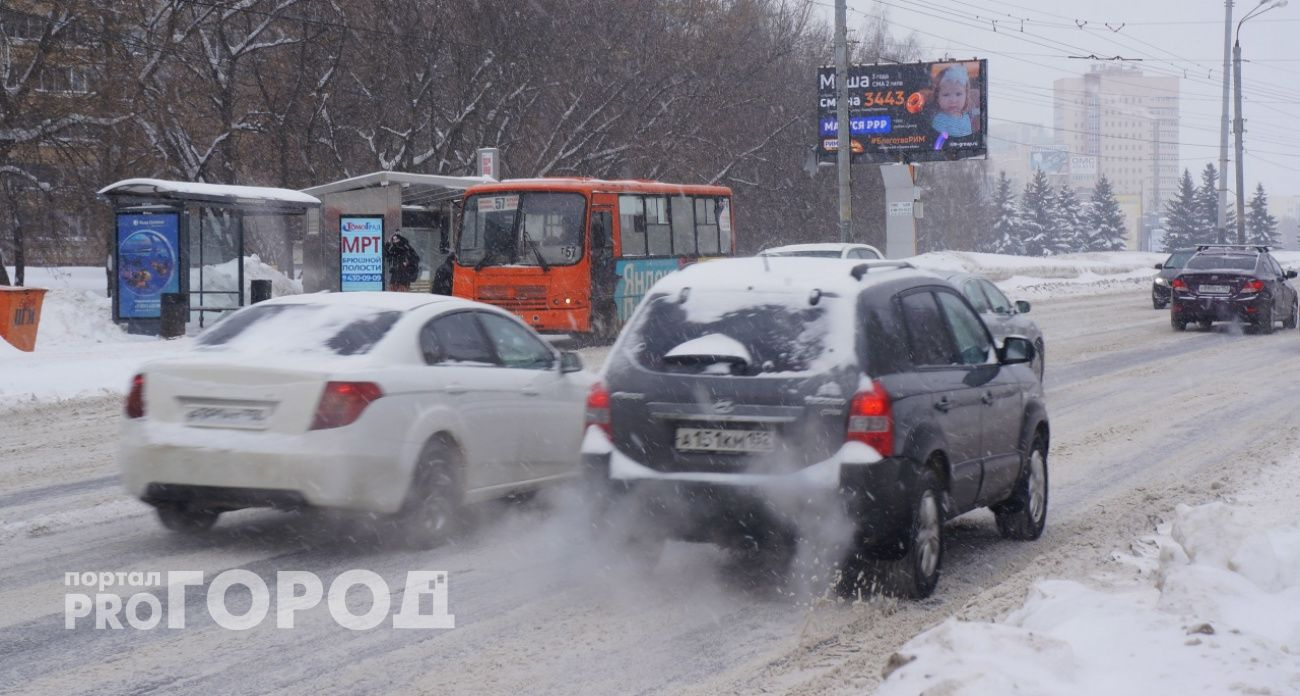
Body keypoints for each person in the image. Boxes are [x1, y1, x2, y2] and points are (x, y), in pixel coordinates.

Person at [930, 64, 974, 137]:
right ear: (937, 97)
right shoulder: (940, 121)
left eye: (958, 94)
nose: (953, 100)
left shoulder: (966, 117)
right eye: (946, 95)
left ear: (966, 95)